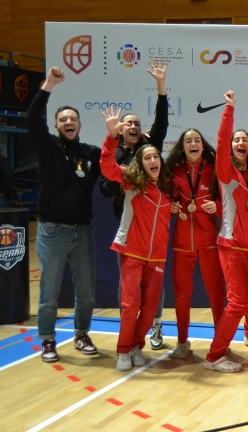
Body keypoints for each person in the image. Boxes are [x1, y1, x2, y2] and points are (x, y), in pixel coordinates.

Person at [28, 66, 102, 362]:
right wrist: (49, 85)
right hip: (52, 232)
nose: (68, 122)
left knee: (86, 293)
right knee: (49, 293)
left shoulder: (91, 152)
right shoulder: (48, 148)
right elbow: (33, 119)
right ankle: (47, 339)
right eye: (63, 120)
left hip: (82, 231)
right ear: (57, 126)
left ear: (79, 124)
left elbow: (113, 162)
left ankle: (81, 334)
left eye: (72, 119)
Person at [99, 58, 169, 350]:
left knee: (153, 291)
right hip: (129, 229)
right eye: (128, 124)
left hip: (154, 236)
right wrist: (124, 181)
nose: (134, 127)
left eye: (138, 124)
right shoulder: (121, 162)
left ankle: (154, 326)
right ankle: (127, 335)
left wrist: (161, 87)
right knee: (129, 292)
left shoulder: (150, 152)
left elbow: (161, 122)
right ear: (121, 130)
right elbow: (105, 184)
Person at [202, 90, 248, 373]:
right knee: (237, 302)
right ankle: (214, 356)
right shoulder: (226, 173)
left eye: (245, 140)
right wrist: (229, 109)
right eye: (237, 140)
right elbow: (221, 140)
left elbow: (247, 209)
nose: (240, 142)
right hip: (232, 246)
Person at [164, 129, 225, 359]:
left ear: (203, 145)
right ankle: (182, 341)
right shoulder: (173, 171)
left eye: (197, 140)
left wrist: (217, 208)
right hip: (182, 243)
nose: (193, 143)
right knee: (182, 296)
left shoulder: (214, 169)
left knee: (216, 294)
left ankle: (220, 341)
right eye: (188, 140)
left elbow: (227, 200)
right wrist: (170, 204)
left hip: (209, 241)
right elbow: (164, 196)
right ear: (182, 146)